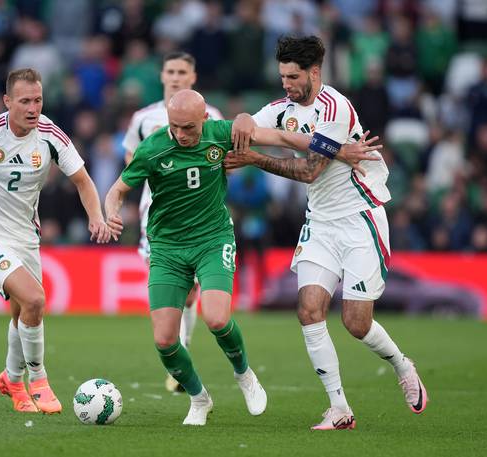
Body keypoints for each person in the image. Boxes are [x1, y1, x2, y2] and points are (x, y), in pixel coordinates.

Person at [105, 89, 378, 426]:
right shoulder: (153, 147)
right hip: (167, 247)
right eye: (174, 127)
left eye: (188, 128)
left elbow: (280, 135)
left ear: (205, 119)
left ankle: (245, 374)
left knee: (217, 318)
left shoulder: (221, 133)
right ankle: (199, 398)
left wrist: (337, 150)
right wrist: (111, 214)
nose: (180, 135)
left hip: (212, 239)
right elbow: (117, 189)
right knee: (164, 340)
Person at [225, 36, 428, 430]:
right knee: (309, 310)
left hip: (359, 220)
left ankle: (403, 365)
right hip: (320, 223)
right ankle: (339, 409)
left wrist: (251, 157)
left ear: (314, 73)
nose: (285, 83)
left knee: (356, 322)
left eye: (292, 76)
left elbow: (309, 171)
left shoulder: (334, 108)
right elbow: (249, 123)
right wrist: (241, 122)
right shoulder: (283, 108)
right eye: (282, 75)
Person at [0, 68, 111, 414]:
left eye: (38, 100)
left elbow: (84, 181)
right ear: (7, 101)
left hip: (26, 239)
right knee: (35, 299)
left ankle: (11, 378)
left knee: (22, 312)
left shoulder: (50, 135)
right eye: (24, 101)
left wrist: (96, 217)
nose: (32, 108)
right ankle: (38, 379)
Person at [122, 51, 224, 393]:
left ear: (193, 77)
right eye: (171, 71)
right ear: (162, 75)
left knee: (193, 293)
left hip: (200, 219)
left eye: (183, 71)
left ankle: (182, 353)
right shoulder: (143, 118)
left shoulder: (213, 117)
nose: (176, 76)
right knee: (177, 290)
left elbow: (225, 161)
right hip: (158, 217)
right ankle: (179, 358)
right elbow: (131, 162)